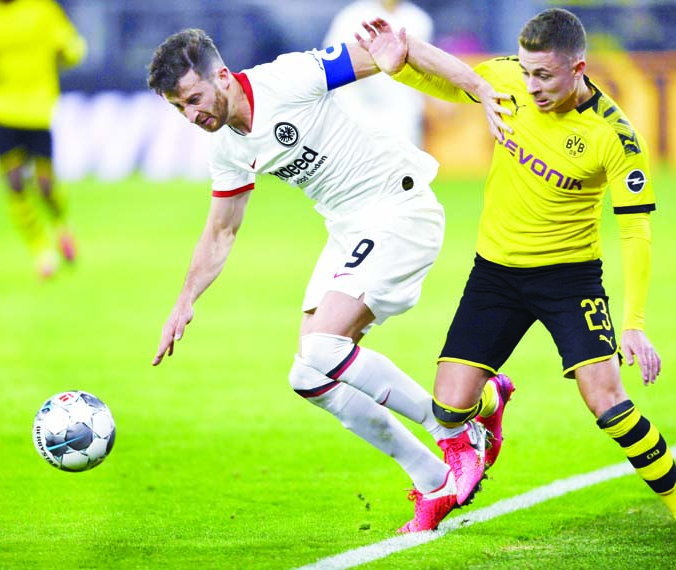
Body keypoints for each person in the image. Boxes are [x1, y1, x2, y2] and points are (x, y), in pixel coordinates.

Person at [356, 9, 676, 560]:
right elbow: (450, 81)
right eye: (527, 72)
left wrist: (634, 324)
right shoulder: (510, 78)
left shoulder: (614, 136)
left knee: (609, 404)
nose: (531, 86)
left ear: (578, 68)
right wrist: (400, 68)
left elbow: (636, 232)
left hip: (569, 280)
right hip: (495, 274)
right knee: (447, 410)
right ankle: (492, 400)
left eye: (545, 76)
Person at [146, 28, 512, 532]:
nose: (191, 115)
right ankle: (436, 477)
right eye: (178, 108)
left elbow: (398, 51)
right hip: (348, 229)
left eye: (193, 99)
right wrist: (185, 300)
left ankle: (455, 433)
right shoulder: (227, 148)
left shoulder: (289, 78)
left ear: (223, 78)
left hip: (398, 207)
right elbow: (220, 231)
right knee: (309, 376)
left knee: (322, 348)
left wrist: (482, 90)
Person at [0, 0, 86, 278]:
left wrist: (64, 52)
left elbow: (75, 48)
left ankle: (61, 227)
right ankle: (41, 251)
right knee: (14, 181)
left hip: (37, 108)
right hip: (0, 110)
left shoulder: (42, 11)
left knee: (45, 184)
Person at [322, 0, 434, 147]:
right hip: (361, 110)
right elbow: (333, 66)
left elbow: (424, 68)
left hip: (405, 112)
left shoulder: (419, 20)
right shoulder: (351, 17)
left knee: (407, 166)